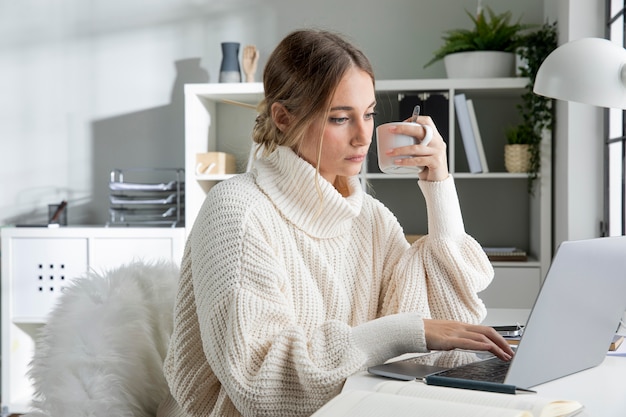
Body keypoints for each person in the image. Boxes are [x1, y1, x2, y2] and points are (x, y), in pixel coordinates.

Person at [158, 29, 514, 417]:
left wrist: (439, 188)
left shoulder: (370, 218)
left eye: (369, 114)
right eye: (340, 118)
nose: (363, 137)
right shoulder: (238, 211)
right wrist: (404, 331)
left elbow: (450, 326)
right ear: (282, 117)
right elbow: (260, 383)